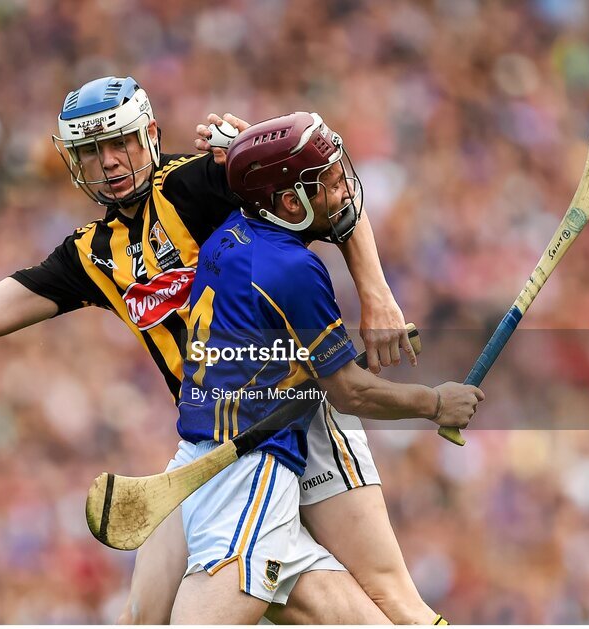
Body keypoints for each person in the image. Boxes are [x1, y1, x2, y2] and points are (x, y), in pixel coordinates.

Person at [0, 76, 424, 623]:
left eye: (122, 143)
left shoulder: (200, 184)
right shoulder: (91, 255)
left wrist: (376, 293)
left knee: (385, 597)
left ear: (148, 136)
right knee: (166, 613)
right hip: (211, 449)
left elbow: (325, 179)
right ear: (72, 162)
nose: (110, 162)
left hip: (294, 417)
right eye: (92, 152)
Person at [168, 111, 484, 624]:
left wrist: (243, 145)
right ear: (289, 203)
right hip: (247, 478)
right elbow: (348, 392)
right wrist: (436, 402)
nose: (345, 193)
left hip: (225, 459)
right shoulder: (292, 268)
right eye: (330, 184)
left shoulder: (233, 227)